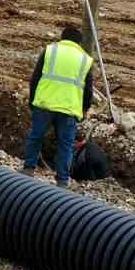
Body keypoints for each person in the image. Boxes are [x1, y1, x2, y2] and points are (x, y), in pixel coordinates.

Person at [20, 25, 95, 188]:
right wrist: (84, 108)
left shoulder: (50, 51)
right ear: (79, 43)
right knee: (65, 145)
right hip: (68, 109)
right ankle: (62, 180)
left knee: (36, 137)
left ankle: (28, 169)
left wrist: (32, 101)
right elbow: (88, 90)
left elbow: (35, 78)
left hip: (45, 104)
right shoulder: (85, 59)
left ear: (62, 38)